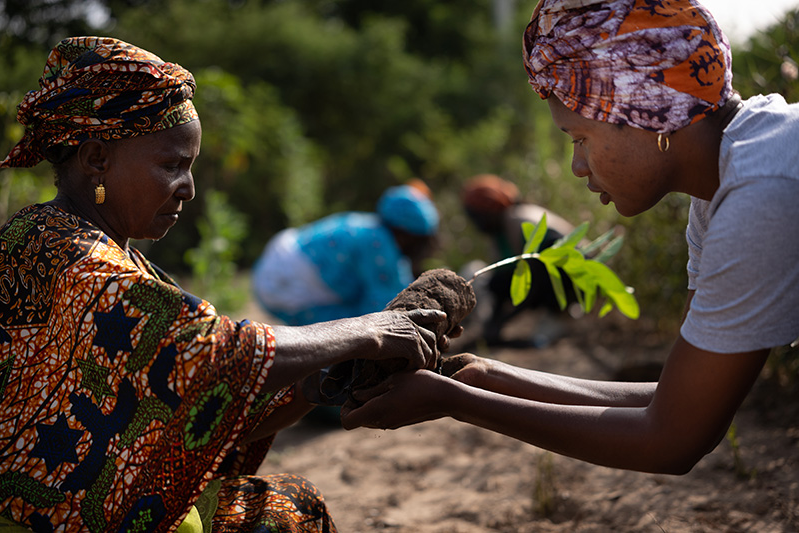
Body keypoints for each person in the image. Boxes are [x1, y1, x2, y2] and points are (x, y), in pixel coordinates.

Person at [0, 36, 448, 532]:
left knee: (292, 504)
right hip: (49, 518)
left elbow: (215, 402)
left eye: (189, 167)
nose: (188, 188)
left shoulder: (93, 245)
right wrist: (368, 330)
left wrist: (319, 379)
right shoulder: (65, 254)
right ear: (97, 158)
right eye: (172, 166)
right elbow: (206, 354)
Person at [341, 0, 799, 476]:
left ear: (648, 113)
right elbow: (676, 399)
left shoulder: (761, 191)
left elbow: (673, 440)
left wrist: (455, 401)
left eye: (579, 138)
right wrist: (486, 378)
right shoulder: (723, 187)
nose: (577, 166)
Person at [252, 183, 439, 326]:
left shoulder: (369, 226)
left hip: (276, 265)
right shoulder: (380, 246)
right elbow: (387, 306)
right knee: (350, 330)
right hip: (289, 284)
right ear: (407, 234)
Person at [460, 174, 577, 346]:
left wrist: (503, 320)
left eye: (477, 216)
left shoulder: (520, 220)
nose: (476, 224)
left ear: (489, 210)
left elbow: (536, 277)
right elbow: (502, 281)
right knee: (496, 282)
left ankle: (559, 316)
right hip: (549, 275)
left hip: (573, 272)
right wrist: (492, 325)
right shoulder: (500, 232)